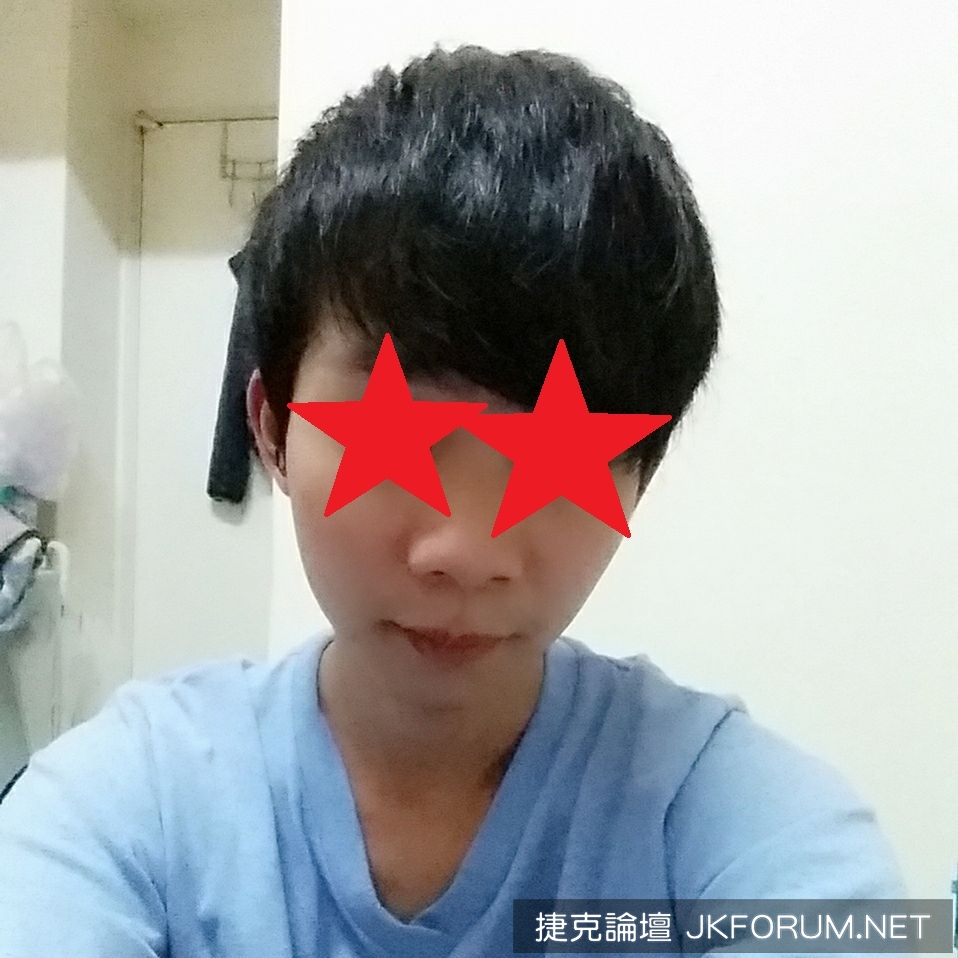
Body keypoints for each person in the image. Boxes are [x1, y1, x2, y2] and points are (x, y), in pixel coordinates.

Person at [0, 44, 904, 957]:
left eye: (559, 454)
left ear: (642, 470)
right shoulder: (118, 809)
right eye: (397, 436)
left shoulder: (745, 821)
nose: (467, 549)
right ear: (271, 430)